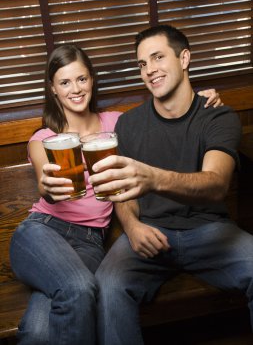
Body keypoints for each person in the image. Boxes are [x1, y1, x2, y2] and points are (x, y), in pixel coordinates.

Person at [9, 42, 221, 345]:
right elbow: (47, 185)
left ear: (92, 81)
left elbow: (162, 113)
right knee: (80, 288)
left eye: (82, 79)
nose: (75, 89)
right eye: (65, 82)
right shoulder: (43, 138)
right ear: (53, 89)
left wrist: (200, 101)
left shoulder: (117, 123)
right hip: (42, 232)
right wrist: (50, 187)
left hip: (90, 242)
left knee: (40, 329)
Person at [88, 25, 253, 345]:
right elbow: (121, 192)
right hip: (150, 232)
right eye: (142, 64)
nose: (149, 70)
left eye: (158, 57)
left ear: (185, 58)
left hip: (209, 231)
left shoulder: (218, 117)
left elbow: (217, 184)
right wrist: (132, 226)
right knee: (106, 285)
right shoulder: (129, 123)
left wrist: (152, 178)